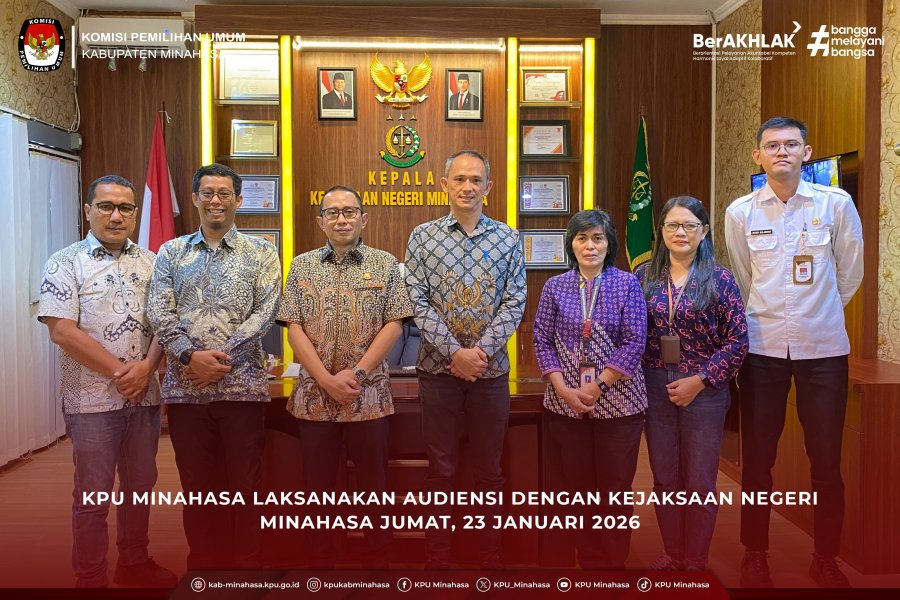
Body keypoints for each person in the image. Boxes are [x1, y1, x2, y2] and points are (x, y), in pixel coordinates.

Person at [724, 116, 864, 588]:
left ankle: (825, 557)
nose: (781, 151)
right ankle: (755, 552)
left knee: (826, 461)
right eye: (771, 145)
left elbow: (850, 272)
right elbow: (744, 278)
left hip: (823, 350)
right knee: (758, 459)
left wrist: (819, 311)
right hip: (762, 349)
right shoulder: (740, 212)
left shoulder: (836, 203)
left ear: (807, 152)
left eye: (790, 144)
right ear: (757, 156)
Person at [37, 175, 177, 588]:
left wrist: (147, 368)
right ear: (88, 211)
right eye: (106, 206)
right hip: (92, 401)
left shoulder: (153, 262)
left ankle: (134, 562)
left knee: (140, 486)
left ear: (134, 213)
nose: (116, 216)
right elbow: (62, 331)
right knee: (93, 494)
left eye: (125, 208)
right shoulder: (64, 262)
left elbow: (166, 324)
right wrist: (122, 372)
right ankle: (91, 577)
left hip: (143, 398)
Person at [147, 163, 281, 570]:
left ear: (238, 200)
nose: (215, 201)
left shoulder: (261, 252)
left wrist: (219, 360)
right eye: (207, 193)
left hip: (242, 389)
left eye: (224, 193)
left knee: (246, 486)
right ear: (194, 198)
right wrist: (191, 357)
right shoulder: (171, 252)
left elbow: (266, 311)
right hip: (186, 390)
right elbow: (159, 311)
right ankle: (203, 569)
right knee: (197, 487)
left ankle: (248, 570)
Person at [276, 185, 413, 568]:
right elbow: (293, 327)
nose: (341, 219)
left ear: (363, 218)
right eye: (333, 213)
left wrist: (357, 373)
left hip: (368, 399)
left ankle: (379, 568)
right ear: (320, 221)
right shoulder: (302, 266)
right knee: (318, 492)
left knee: (374, 491)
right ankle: (322, 567)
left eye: (349, 212)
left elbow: (394, 323)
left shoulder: (385, 264)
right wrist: (325, 379)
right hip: (314, 400)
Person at [405, 150, 526, 569]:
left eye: (476, 180)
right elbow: (416, 300)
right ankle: (438, 558)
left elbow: (515, 301)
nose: (467, 187)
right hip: (437, 373)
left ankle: (489, 556)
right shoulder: (422, 237)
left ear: (488, 187)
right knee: (440, 470)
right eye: (459, 179)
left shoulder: (509, 238)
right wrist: (455, 353)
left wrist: (479, 354)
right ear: (444, 185)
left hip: (490, 375)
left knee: (489, 471)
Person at [637, 196, 748, 572]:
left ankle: (696, 560)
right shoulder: (644, 276)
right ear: (661, 232)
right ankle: (673, 553)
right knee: (665, 478)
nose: (680, 232)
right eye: (672, 225)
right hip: (654, 385)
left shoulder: (721, 279)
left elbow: (738, 341)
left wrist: (700, 381)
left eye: (689, 225)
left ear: (704, 232)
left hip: (704, 389)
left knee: (700, 481)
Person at [533, 209, 647, 569]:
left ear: (609, 243)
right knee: (577, 491)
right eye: (582, 238)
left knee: (614, 491)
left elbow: (634, 342)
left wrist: (598, 386)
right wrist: (563, 389)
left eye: (598, 238)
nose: (590, 245)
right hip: (566, 405)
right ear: (572, 244)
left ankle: (612, 566)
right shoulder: (555, 287)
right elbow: (541, 341)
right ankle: (588, 561)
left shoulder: (627, 284)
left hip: (620, 406)